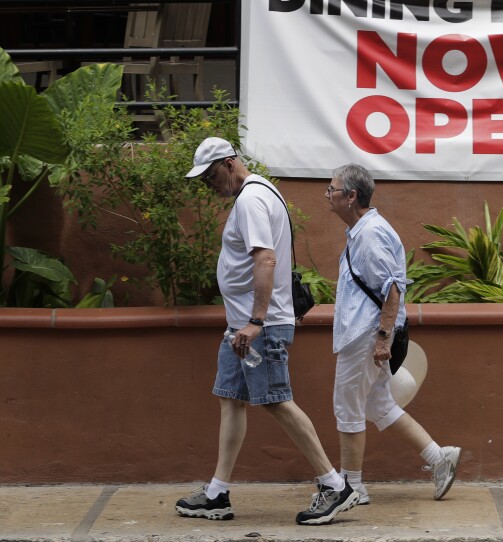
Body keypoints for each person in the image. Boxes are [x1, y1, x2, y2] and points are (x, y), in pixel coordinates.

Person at [175, 137, 359, 525]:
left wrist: (256, 321)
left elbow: (266, 258)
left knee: (276, 400)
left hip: (257, 327)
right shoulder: (259, 190)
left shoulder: (251, 200)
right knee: (231, 398)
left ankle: (334, 486)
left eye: (209, 176)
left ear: (228, 164)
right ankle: (216, 494)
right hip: (241, 327)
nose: (208, 185)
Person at [326, 163, 461, 504]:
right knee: (379, 404)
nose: (327, 195)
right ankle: (438, 457)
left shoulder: (369, 234)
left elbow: (392, 290)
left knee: (348, 407)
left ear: (351, 196)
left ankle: (352, 486)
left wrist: (383, 337)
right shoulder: (363, 230)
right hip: (368, 333)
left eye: (332, 189)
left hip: (366, 334)